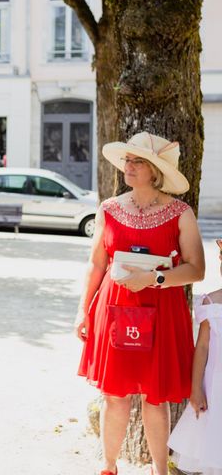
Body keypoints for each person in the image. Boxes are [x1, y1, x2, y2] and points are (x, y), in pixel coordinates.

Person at [75, 131, 205, 475]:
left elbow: (196, 269)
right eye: (127, 160)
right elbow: (97, 264)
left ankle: (159, 470)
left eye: (137, 161)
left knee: (155, 396)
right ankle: (108, 465)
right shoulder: (109, 208)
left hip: (162, 310)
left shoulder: (180, 212)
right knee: (114, 395)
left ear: (155, 171)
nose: (127, 167)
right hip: (114, 307)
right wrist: (82, 311)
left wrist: (154, 278)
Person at [168, 248, 222, 474]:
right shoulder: (212, 302)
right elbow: (201, 348)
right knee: (213, 443)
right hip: (215, 385)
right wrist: (195, 389)